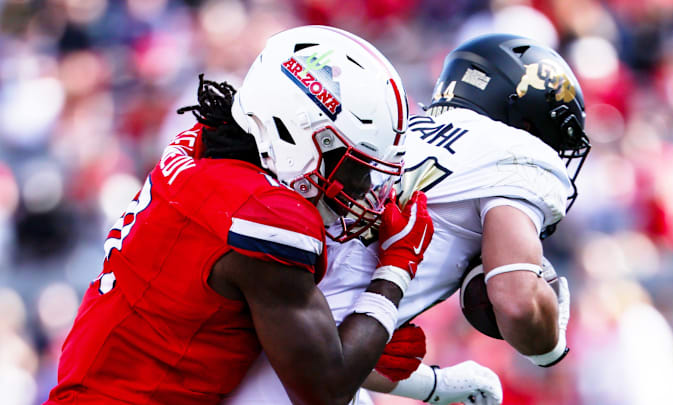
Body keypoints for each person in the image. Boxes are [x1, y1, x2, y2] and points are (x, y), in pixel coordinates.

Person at [45, 25, 435, 405]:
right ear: (295, 135)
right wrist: (396, 270)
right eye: (354, 167)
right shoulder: (267, 215)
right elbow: (327, 391)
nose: (362, 187)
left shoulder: (202, 143)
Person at [230, 33, 591, 404]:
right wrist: (550, 342)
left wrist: (434, 386)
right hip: (304, 368)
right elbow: (516, 303)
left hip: (263, 330)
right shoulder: (521, 156)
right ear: (531, 122)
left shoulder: (403, 130)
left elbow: (340, 320)